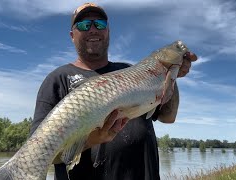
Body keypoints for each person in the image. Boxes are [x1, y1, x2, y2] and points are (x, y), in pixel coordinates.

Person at [30, 2, 197, 180]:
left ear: (108, 31)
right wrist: (92, 139)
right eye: (84, 25)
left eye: (100, 24)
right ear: (72, 35)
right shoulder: (58, 79)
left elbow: (168, 117)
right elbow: (37, 155)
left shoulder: (131, 70)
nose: (93, 29)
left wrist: (172, 76)